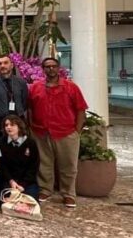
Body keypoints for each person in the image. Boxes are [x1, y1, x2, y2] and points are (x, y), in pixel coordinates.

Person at [27, 57, 88, 208]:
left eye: (53, 66)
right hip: (41, 132)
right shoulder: (35, 87)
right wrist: (31, 127)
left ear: (58, 68)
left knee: (68, 165)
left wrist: (77, 131)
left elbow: (81, 109)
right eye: (47, 66)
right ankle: (45, 190)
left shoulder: (71, 87)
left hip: (66, 132)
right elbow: (29, 108)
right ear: (43, 69)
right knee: (44, 163)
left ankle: (68, 194)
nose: (51, 69)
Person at [0, 115, 40, 200]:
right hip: (9, 180)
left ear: (19, 127)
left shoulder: (30, 143)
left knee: (28, 200)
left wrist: (23, 184)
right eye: (6, 125)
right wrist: (11, 181)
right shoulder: (1, 142)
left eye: (12, 125)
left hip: (27, 181)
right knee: (7, 199)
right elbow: (2, 166)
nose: (8, 127)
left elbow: (34, 166)